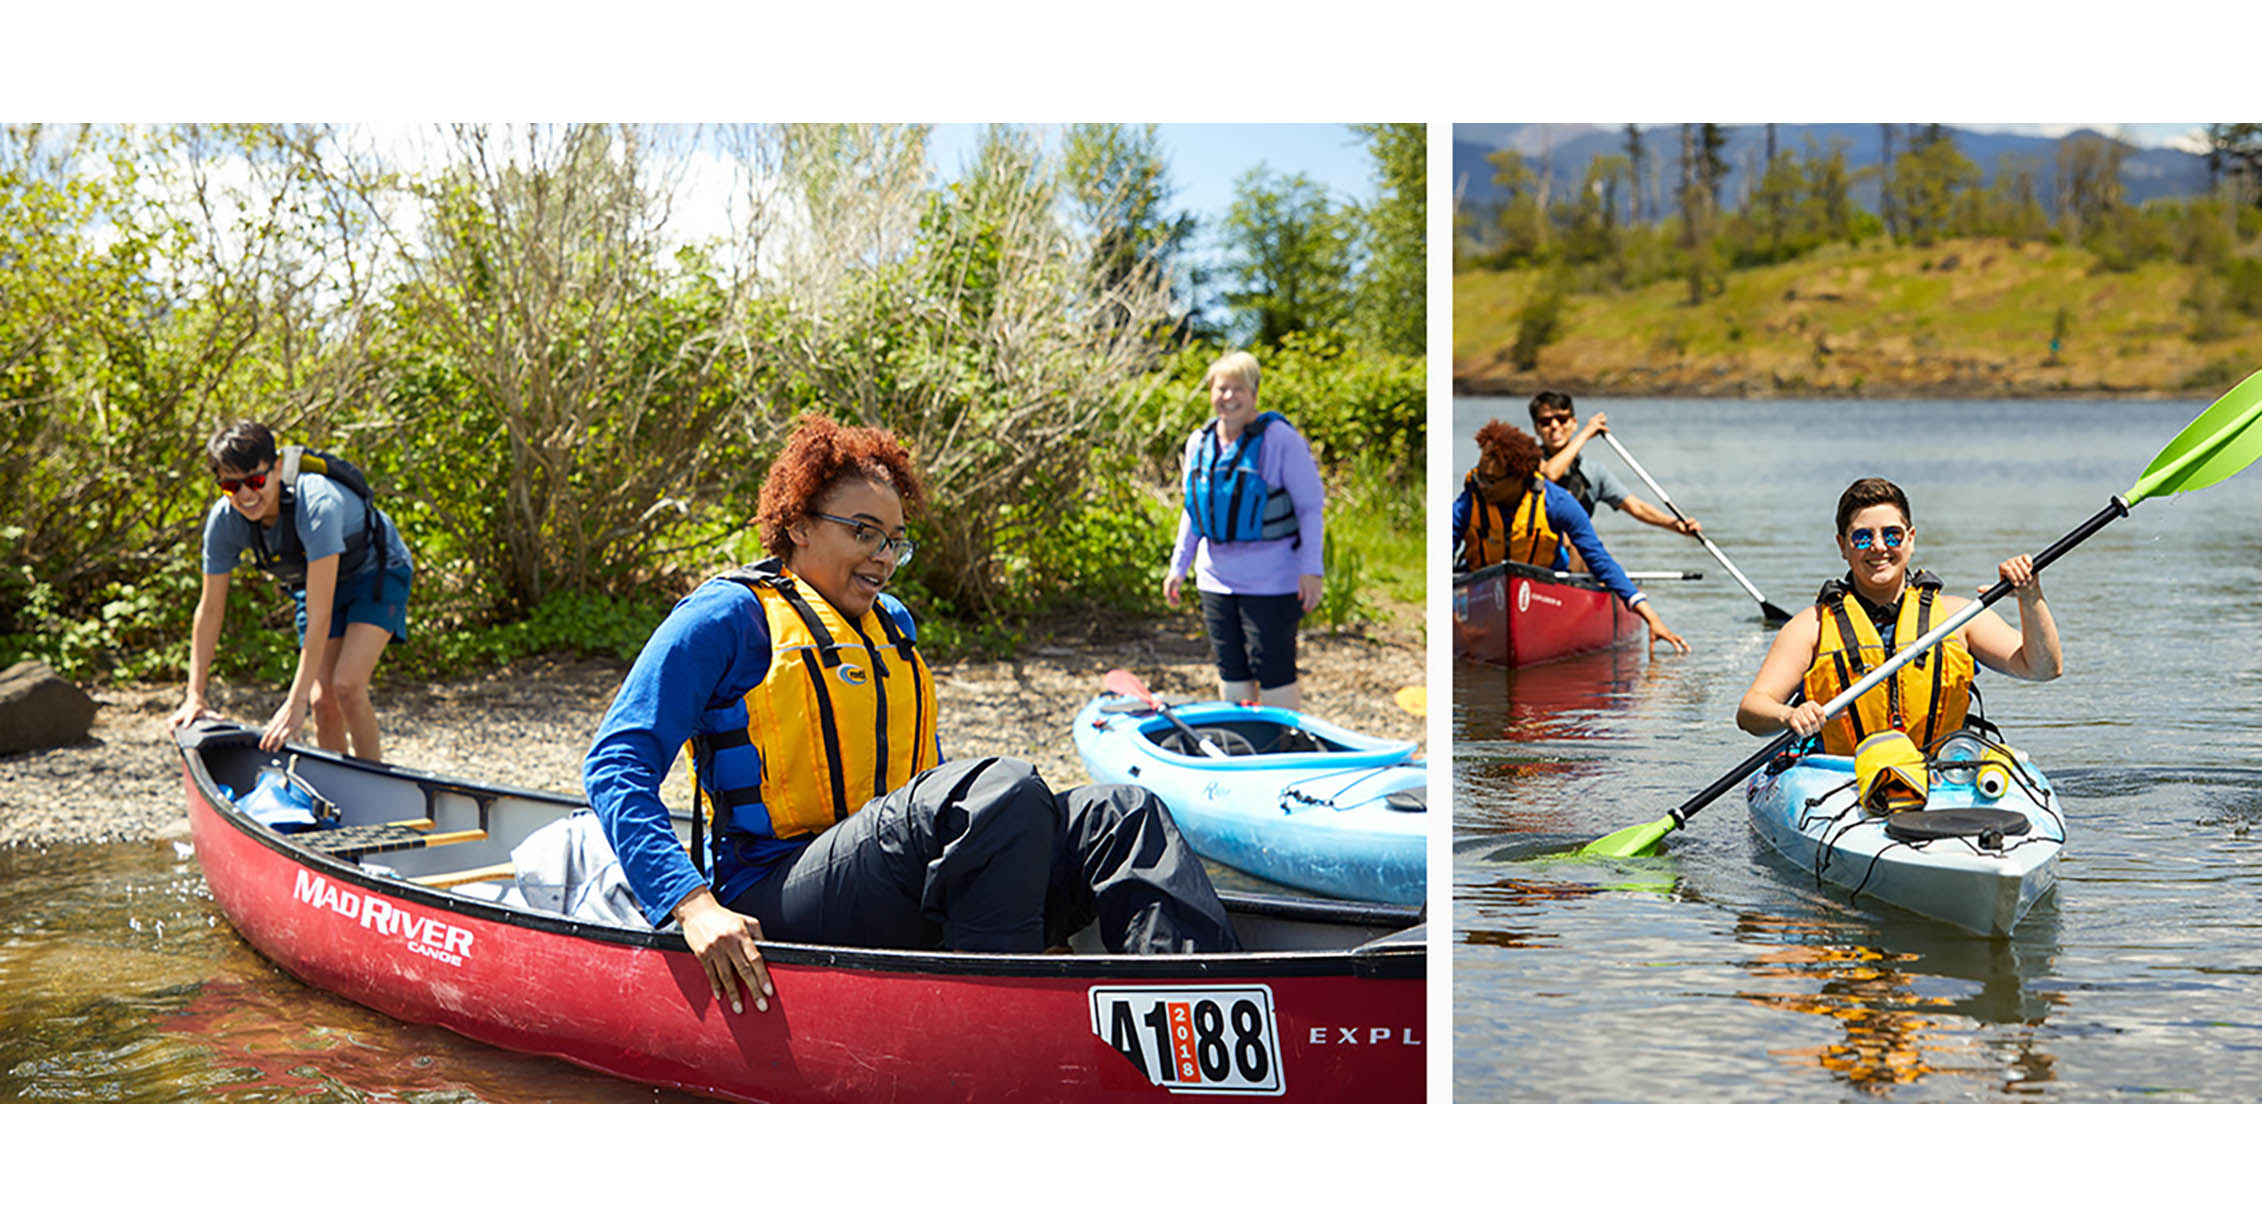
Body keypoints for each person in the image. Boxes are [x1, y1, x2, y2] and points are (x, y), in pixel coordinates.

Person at [585, 413, 1238, 1015]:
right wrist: (692, 906)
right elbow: (615, 765)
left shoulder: (890, 624)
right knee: (1001, 790)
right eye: (863, 533)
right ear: (799, 524)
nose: (885, 557)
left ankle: (1197, 1006)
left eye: (896, 540)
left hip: (893, 876)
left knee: (1120, 812)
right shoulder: (725, 617)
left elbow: (926, 782)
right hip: (780, 890)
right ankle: (1003, 1013)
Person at [1736, 476, 2062, 750]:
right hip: (1842, 778)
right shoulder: (1811, 627)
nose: (1879, 546)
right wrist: (1788, 716)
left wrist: (2030, 597)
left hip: (1942, 773)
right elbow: (1751, 711)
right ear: (1842, 545)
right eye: (1863, 537)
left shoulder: (1958, 616)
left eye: (1891, 534)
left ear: (1911, 540)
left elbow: (2042, 668)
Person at [167, 421, 414, 761]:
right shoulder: (225, 520)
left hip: (376, 569)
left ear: (277, 468)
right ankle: (339, 797)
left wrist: (293, 705)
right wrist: (194, 695)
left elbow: (320, 613)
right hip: (315, 579)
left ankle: (377, 784)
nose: (245, 495)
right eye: (231, 486)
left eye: (255, 481)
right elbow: (209, 609)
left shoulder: (316, 504)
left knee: (346, 684)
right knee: (321, 700)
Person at [1163, 351, 1326, 710]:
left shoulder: (1280, 440)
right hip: (1215, 578)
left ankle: (1284, 750)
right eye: (1222, 388)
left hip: (1273, 581)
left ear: (1253, 394)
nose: (1229, 397)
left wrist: (1312, 570)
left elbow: (1311, 509)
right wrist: (1178, 567)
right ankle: (1243, 747)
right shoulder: (1198, 442)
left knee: (1273, 668)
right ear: (1210, 392)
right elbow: (1193, 511)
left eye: (1238, 388)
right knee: (1231, 667)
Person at [1452, 419, 1688, 654]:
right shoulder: (1468, 502)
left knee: (1582, 557)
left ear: (1519, 477)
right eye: (1479, 475)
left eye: (1490, 480)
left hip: (1545, 587)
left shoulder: (1558, 502)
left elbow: (1600, 560)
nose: (1480, 484)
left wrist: (1652, 618)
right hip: (1483, 587)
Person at [1529, 390, 1702, 540]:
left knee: (1579, 538)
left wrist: (1675, 525)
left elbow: (1637, 507)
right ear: (1536, 428)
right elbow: (1550, 473)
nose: (1554, 426)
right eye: (1545, 422)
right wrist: (1586, 434)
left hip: (1574, 555)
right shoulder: (1526, 461)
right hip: (1535, 552)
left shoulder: (1593, 472)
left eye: (1561, 419)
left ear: (1573, 423)